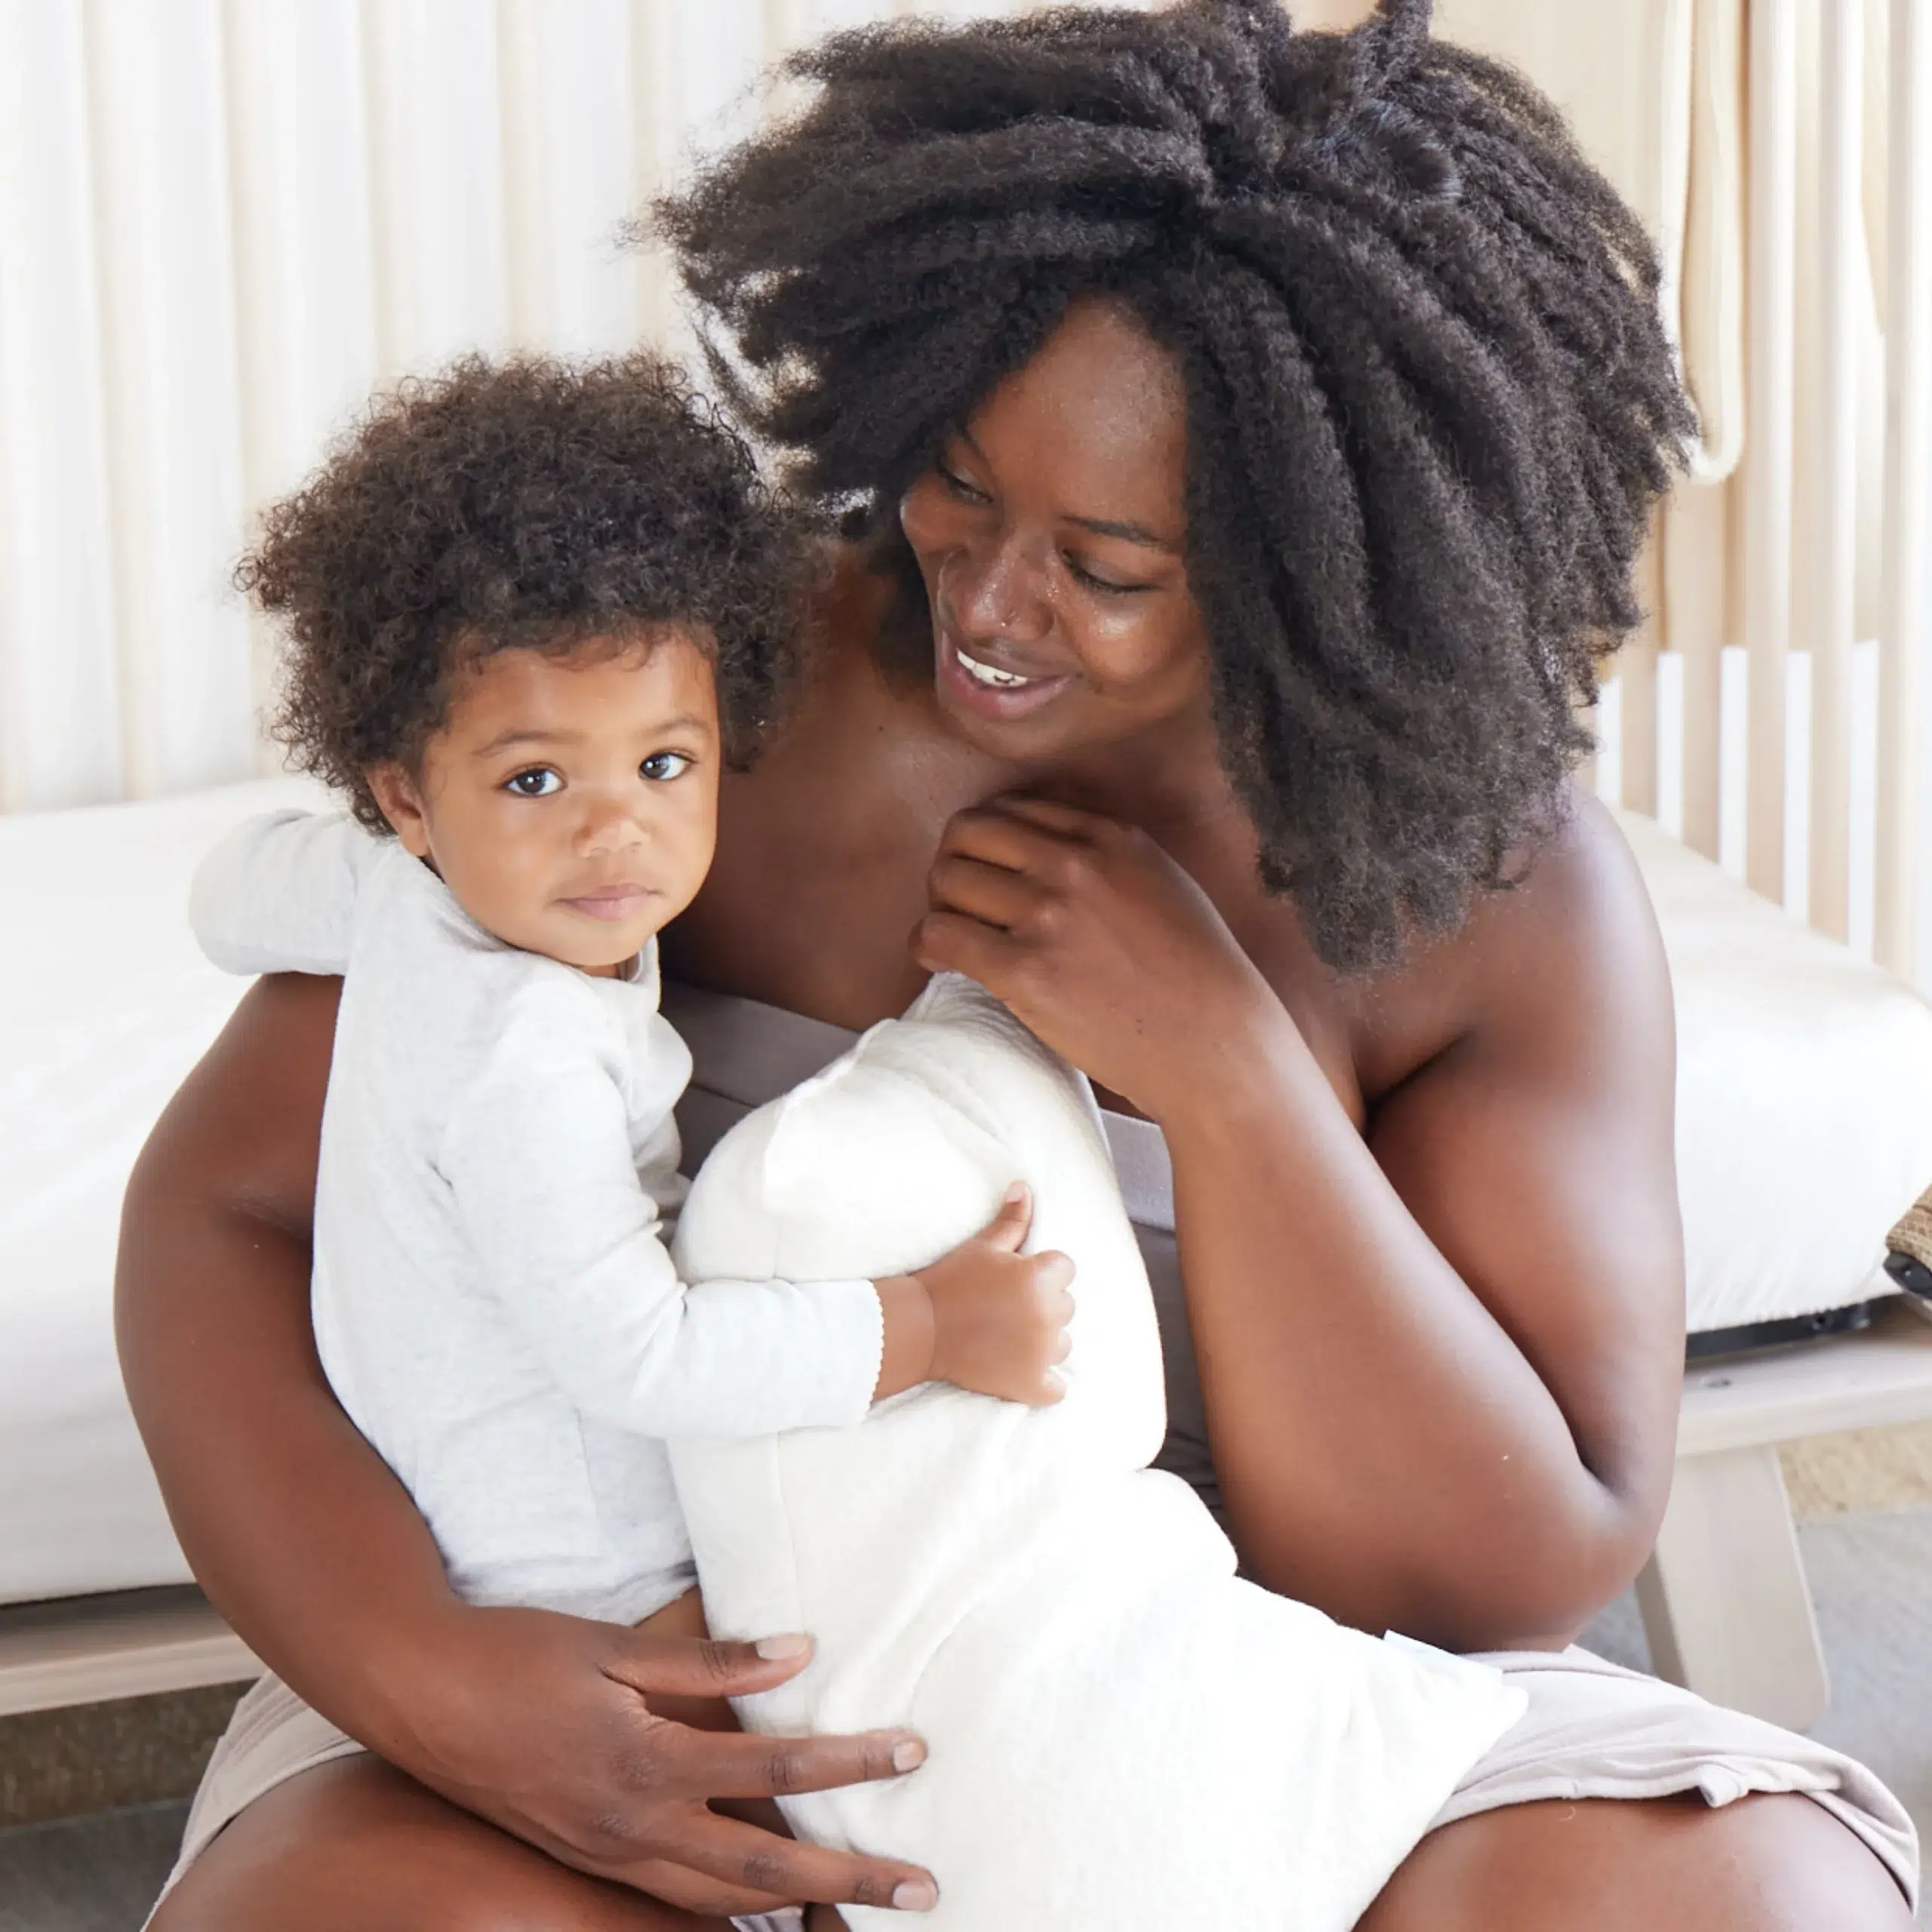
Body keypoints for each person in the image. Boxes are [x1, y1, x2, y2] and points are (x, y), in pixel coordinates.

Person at [120, 3, 1918, 1927]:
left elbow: (1510, 1563)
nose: (984, 600)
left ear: (1327, 548)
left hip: (1235, 1675)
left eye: (1109, 564)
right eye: (957, 486)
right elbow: (225, 1214)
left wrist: (1222, 1073)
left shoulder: (1484, 887)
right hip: (631, 1660)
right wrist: (443, 1684)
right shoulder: (699, 701)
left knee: (1755, 1899)